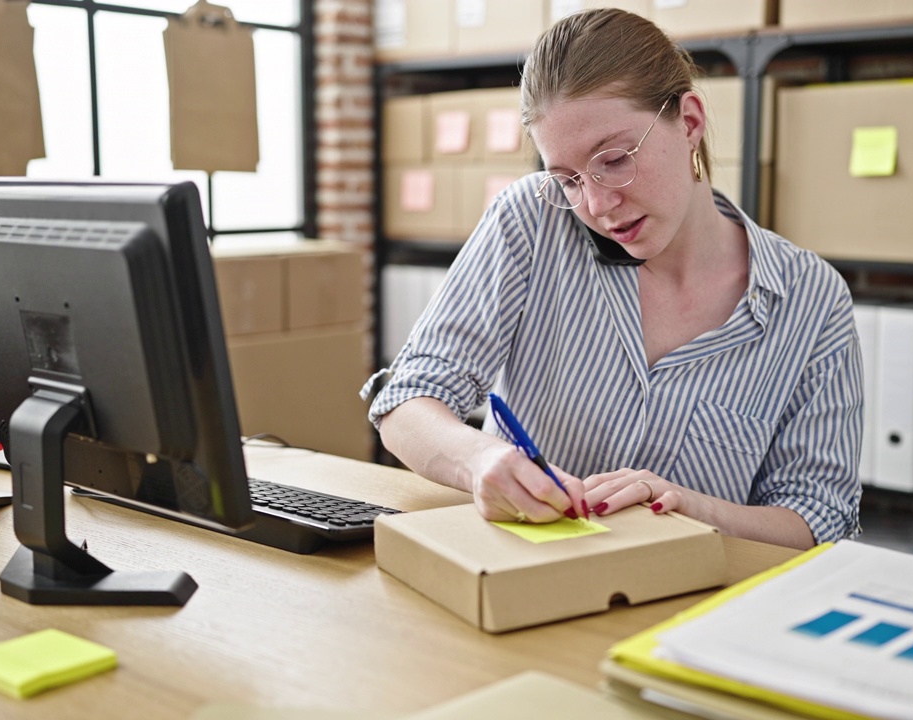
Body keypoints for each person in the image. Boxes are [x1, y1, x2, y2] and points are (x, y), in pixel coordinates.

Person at [362, 8, 862, 549]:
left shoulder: (812, 299)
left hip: (690, 612)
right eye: (568, 179)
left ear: (689, 122)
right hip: (520, 582)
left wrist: (689, 508)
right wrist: (479, 459)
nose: (597, 204)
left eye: (615, 159)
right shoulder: (532, 222)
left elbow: (820, 520)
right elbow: (407, 401)